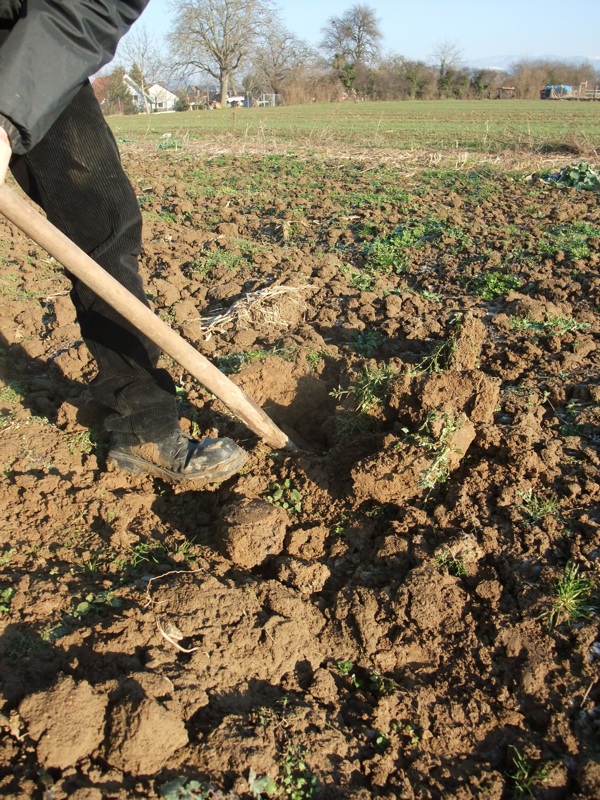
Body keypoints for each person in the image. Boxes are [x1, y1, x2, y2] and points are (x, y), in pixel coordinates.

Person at [0, 1, 248, 483]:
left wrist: (7, 113)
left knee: (104, 221)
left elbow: (87, 10)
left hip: (34, 44)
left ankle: (144, 426)